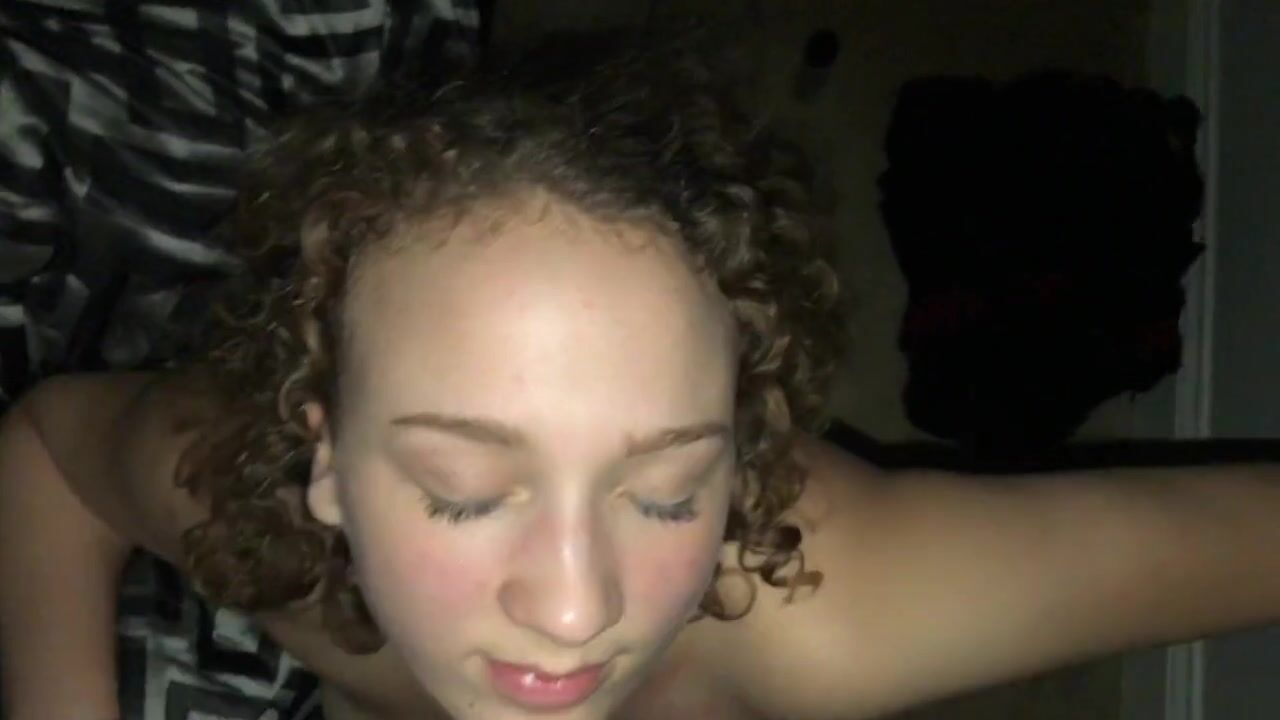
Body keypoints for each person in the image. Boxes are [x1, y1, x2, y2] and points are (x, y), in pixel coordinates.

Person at [2, 40, 1278, 720]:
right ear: (323, 456)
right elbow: (51, 452)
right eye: (461, 490)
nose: (575, 611)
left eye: (666, 491)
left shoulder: (835, 617)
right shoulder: (257, 513)